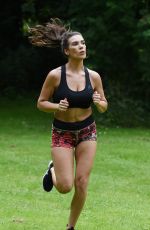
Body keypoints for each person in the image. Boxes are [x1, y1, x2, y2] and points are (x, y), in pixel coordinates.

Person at [29, 18, 108, 230]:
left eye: (82, 43)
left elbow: (103, 105)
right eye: (75, 44)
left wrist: (101, 104)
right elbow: (40, 103)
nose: (81, 46)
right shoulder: (55, 76)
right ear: (66, 51)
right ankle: (52, 170)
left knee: (81, 183)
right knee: (65, 187)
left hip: (87, 132)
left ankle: (70, 227)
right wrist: (56, 107)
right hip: (62, 133)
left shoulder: (94, 77)